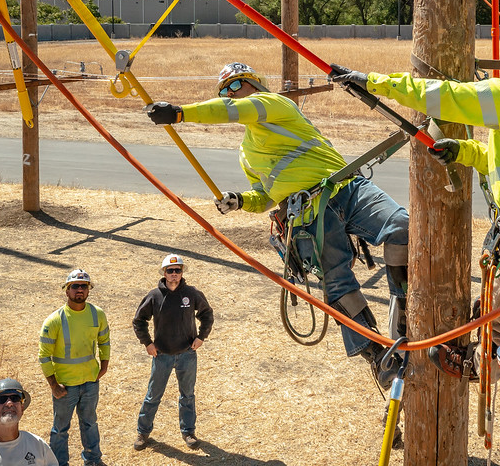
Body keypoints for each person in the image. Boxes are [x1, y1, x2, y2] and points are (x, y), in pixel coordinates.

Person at [329, 20, 500, 377]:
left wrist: (373, 83)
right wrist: (465, 151)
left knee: (499, 316)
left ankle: (478, 366)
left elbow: (449, 96)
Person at [145, 62, 409, 389]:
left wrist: (181, 113)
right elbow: (266, 196)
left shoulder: (276, 104)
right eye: (224, 90)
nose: (229, 94)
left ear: (253, 85)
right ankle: (377, 354)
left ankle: (407, 309)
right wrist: (241, 200)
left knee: (401, 226)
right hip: (310, 215)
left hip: (345, 188)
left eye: (235, 86)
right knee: (338, 284)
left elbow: (231, 109)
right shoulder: (247, 153)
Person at [132, 253, 214, 451]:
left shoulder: (192, 294)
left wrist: (201, 336)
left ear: (182, 272)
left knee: (187, 395)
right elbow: (139, 320)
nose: (174, 274)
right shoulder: (154, 296)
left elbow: (207, 314)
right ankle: (143, 433)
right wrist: (147, 343)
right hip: (162, 356)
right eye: (170, 271)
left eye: (178, 270)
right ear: (164, 273)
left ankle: (189, 432)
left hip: (187, 354)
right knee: (153, 395)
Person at [39, 269, 110, 466]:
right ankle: (59, 463)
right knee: (60, 429)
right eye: (75, 286)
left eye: (83, 286)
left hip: (89, 383)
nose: (80, 290)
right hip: (64, 387)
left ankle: (93, 460)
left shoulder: (98, 315)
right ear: (67, 290)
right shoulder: (54, 320)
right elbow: (43, 355)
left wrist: (104, 366)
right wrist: (53, 385)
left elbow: (105, 341)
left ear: (88, 290)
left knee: (90, 423)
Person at [0, 379, 57, 466]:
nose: (9, 403)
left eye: (15, 398)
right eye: (1, 399)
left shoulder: (38, 445)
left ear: (22, 409)